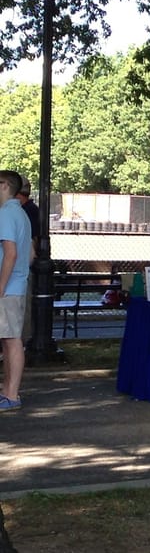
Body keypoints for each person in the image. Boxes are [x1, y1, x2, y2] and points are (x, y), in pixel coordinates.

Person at [0, 171, 33, 412]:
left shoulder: (5, 214)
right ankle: (8, 392)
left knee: (11, 341)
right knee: (9, 340)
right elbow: (30, 254)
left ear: (4, 186)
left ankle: (11, 394)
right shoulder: (20, 213)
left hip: (8, 288)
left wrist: (1, 286)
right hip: (16, 285)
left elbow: (11, 254)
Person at [15, 180, 39, 348]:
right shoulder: (26, 211)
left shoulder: (28, 211)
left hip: (21, 267)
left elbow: (33, 241)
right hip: (20, 266)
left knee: (23, 308)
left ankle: (23, 342)